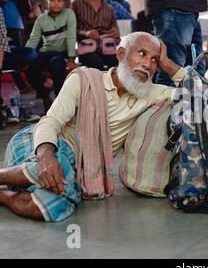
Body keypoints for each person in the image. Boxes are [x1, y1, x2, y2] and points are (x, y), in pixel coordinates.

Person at [0, 32, 188, 222]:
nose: (147, 64)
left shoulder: (152, 93)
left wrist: (168, 64)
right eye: (141, 54)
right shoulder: (84, 80)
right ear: (121, 54)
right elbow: (51, 121)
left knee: (54, 206)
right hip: (42, 143)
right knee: (55, 170)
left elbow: (206, 94)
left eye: (154, 60)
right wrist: (46, 157)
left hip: (78, 169)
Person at [143, 0, 207, 86]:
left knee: (196, 69)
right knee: (170, 71)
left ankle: (192, 104)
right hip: (173, 4)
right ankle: (166, 106)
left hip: (188, 6)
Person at [25, 0, 77, 110]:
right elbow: (33, 40)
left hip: (62, 53)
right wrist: (25, 56)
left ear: (64, 3)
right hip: (46, 52)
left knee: (56, 64)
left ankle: (60, 102)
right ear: (46, 3)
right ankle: (45, 96)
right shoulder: (41, 19)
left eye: (59, 0)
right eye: (52, 0)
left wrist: (71, 58)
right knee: (31, 65)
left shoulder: (69, 14)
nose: (56, 3)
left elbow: (71, 37)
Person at [0, 0, 38, 94]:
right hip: (7, 22)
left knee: (16, 56)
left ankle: (28, 85)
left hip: (10, 23)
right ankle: (23, 86)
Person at [72, 0, 120, 70]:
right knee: (97, 64)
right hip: (86, 49)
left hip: (107, 48)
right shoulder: (77, 4)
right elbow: (70, 30)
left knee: (117, 64)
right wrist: (86, 33)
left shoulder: (109, 9)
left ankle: (111, 85)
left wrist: (114, 35)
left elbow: (117, 37)